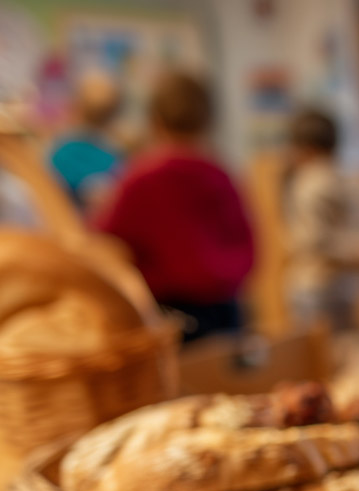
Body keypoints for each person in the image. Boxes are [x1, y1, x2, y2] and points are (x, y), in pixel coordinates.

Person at [94, 71, 255, 341]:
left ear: (154, 120)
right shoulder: (220, 174)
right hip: (227, 310)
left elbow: (104, 241)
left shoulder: (140, 178)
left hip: (169, 316)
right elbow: (248, 246)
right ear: (208, 119)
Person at [283, 107, 359, 330]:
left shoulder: (307, 182)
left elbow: (312, 239)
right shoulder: (346, 180)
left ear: (304, 148)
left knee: (316, 354)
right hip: (347, 284)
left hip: (314, 283)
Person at [48, 69, 122, 212]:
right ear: (114, 115)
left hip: (60, 224)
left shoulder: (59, 151)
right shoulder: (116, 159)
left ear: (76, 107)